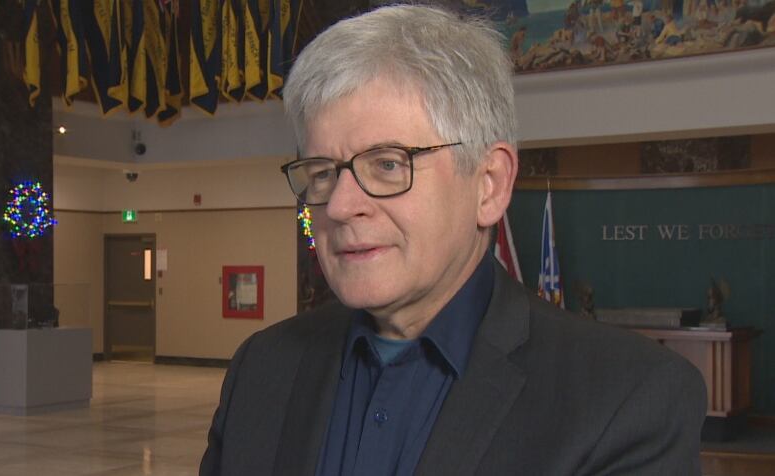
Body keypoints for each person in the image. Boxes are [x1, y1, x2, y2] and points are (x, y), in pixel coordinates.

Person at [200, 4, 707, 475]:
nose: (337, 206)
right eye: (322, 172)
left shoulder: (627, 396)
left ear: (489, 185)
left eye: (387, 164)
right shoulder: (261, 367)